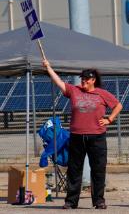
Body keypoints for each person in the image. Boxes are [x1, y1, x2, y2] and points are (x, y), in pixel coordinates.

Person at [42, 59, 122, 210]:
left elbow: (118, 105)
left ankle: (99, 201)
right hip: (77, 136)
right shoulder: (74, 90)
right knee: (74, 169)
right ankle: (71, 201)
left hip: (97, 136)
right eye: (82, 78)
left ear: (93, 80)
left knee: (98, 169)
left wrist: (110, 119)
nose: (83, 81)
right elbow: (59, 82)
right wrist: (48, 68)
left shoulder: (102, 94)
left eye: (86, 79)